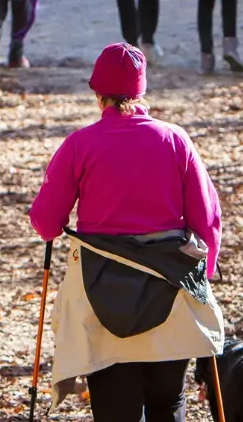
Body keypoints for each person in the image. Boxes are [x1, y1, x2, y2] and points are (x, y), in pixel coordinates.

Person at [30, 43, 224, 422]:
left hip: (100, 293)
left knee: (114, 410)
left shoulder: (79, 145)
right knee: (167, 404)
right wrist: (206, 276)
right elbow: (207, 219)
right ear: (141, 91)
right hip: (171, 288)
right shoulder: (174, 139)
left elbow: (47, 223)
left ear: (97, 94)